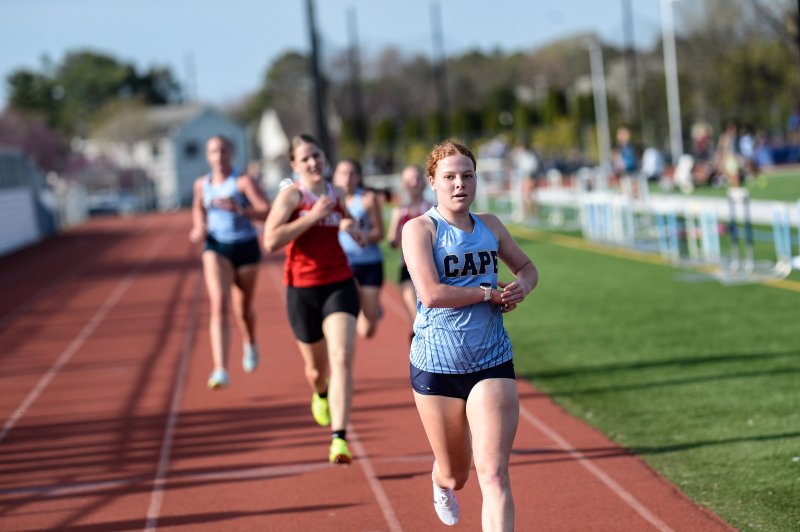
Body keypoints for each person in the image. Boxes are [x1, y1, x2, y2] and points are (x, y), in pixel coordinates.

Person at [402, 139, 539, 529]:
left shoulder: (491, 226)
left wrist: (522, 287)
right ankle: (439, 479)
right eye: (449, 177)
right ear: (433, 182)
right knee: (457, 474)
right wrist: (485, 293)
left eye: (467, 175)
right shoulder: (420, 230)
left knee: (493, 475)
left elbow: (528, 268)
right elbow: (431, 293)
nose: (459, 184)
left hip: (491, 360)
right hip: (437, 366)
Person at [262, 134, 365, 465]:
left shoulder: (334, 192)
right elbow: (270, 240)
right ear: (295, 165)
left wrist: (350, 226)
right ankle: (320, 393)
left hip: (339, 282)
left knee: (343, 357)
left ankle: (339, 438)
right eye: (305, 159)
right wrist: (310, 217)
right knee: (315, 370)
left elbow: (344, 215)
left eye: (317, 156)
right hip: (302, 288)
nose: (313, 163)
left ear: (325, 157)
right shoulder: (292, 195)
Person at [189, 135, 271, 389]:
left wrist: (241, 210)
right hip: (216, 246)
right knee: (218, 303)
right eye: (214, 151)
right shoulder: (202, 184)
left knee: (243, 310)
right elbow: (198, 209)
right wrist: (198, 227)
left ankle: (250, 342)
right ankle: (220, 369)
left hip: (245, 247)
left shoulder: (243, 181)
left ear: (232, 153)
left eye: (223, 150)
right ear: (208, 156)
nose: (219, 156)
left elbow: (267, 210)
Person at [332, 159, 385, 339]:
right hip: (344, 264)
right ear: (335, 177)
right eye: (342, 173)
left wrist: (364, 236)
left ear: (358, 177)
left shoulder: (367, 199)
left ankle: (372, 308)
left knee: (367, 331)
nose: (346, 178)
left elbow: (379, 232)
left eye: (351, 173)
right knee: (348, 312)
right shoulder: (330, 201)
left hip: (370, 263)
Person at [386, 165, 432, 341]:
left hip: (431, 268)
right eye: (408, 180)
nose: (413, 183)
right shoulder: (400, 211)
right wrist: (396, 233)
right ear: (403, 185)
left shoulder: (432, 208)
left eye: (416, 178)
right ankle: (420, 347)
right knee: (416, 317)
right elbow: (392, 242)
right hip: (407, 268)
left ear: (423, 182)